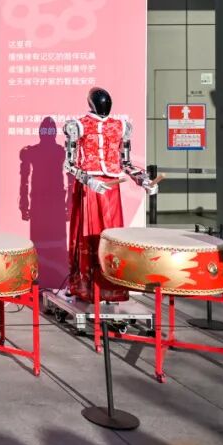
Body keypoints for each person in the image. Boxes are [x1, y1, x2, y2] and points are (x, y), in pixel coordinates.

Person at [63, 87, 160, 302]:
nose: (104, 106)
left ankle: (111, 286)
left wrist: (143, 180)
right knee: (88, 236)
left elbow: (125, 162)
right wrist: (88, 179)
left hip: (110, 189)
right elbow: (68, 164)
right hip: (90, 187)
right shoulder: (77, 126)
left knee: (112, 236)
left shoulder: (120, 126)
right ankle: (85, 287)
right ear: (91, 103)